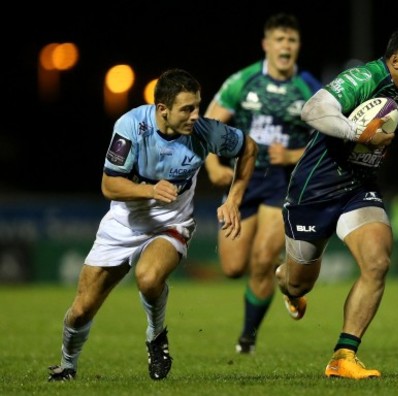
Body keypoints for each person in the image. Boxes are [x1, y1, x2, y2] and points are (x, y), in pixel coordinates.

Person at [47, 68, 258, 382]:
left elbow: (249, 149)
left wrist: (233, 199)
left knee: (148, 278)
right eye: (187, 109)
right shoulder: (132, 126)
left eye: (198, 106)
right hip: (124, 223)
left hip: (172, 222)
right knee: (81, 309)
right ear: (163, 110)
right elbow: (109, 185)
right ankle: (67, 365)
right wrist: (149, 189)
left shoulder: (205, 132)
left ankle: (156, 336)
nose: (195, 115)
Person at [274, 25, 398, 379]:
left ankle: (343, 355)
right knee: (298, 282)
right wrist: (358, 132)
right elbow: (312, 109)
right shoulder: (365, 77)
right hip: (313, 190)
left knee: (377, 262)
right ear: (395, 60)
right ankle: (285, 282)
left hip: (358, 187)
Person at [203, 13, 321, 354]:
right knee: (232, 268)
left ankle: (247, 338)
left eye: (292, 40)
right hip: (242, 179)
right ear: (266, 45)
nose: (286, 46)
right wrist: (212, 166)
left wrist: (292, 155)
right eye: (280, 40)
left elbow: (330, 140)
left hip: (280, 184)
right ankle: (287, 278)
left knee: (262, 260)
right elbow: (207, 125)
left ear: (298, 47)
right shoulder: (243, 81)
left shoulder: (309, 87)